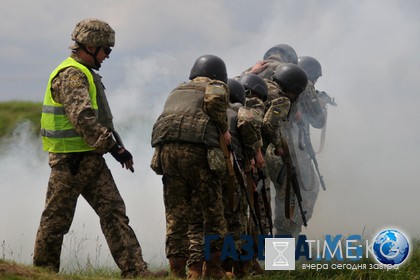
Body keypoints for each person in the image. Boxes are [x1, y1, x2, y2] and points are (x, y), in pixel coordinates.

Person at [34, 18, 165, 278]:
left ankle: (136, 272)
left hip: (90, 160)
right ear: (91, 45)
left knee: (114, 213)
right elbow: (82, 118)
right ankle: (41, 274)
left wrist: (111, 148)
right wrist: (114, 148)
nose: (107, 56)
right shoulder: (72, 74)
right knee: (55, 223)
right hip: (70, 163)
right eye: (106, 50)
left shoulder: (84, 72)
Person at [150, 54, 230, 279]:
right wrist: (223, 129)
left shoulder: (177, 90)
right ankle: (213, 271)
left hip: (167, 153)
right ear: (219, 75)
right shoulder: (214, 86)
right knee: (213, 213)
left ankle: (178, 273)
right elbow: (215, 103)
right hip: (197, 150)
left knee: (175, 215)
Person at [265, 56, 328, 237]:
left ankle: (252, 258)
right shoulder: (299, 89)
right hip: (285, 149)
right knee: (293, 202)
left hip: (260, 151)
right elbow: (318, 120)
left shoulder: (264, 82)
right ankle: (280, 258)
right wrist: (320, 105)